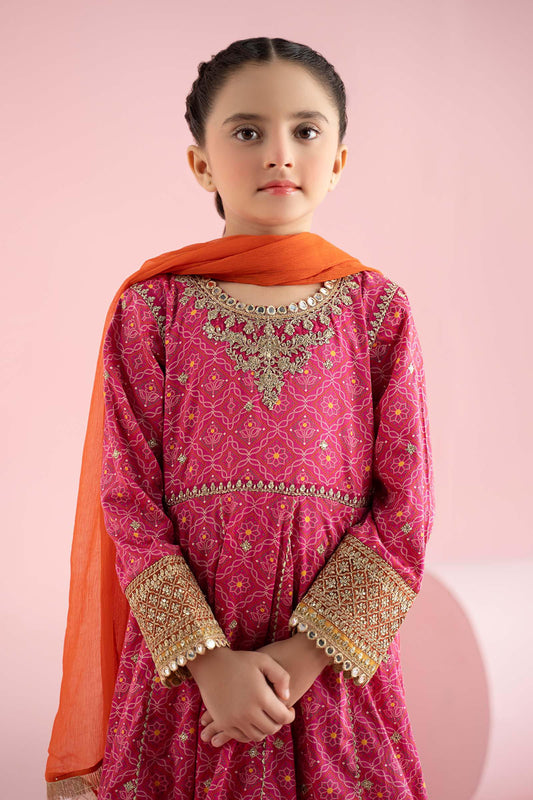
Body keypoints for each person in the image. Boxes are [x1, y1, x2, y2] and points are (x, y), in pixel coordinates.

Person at [45, 36, 435, 800]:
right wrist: (211, 665)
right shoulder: (152, 310)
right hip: (188, 678)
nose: (279, 153)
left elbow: (405, 508)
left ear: (339, 160)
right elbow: (128, 502)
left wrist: (302, 659)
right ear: (200, 164)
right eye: (248, 131)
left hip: (331, 670)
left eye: (306, 130)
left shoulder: (376, 312)